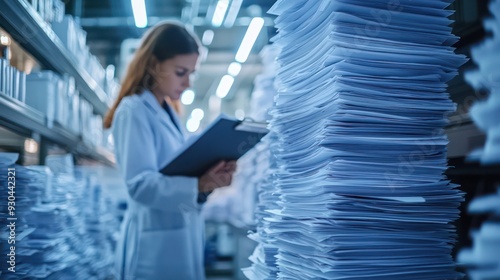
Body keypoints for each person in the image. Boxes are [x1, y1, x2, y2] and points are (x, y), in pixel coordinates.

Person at [103, 21, 237, 280]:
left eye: (191, 73)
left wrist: (208, 181)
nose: (187, 83)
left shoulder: (171, 114)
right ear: (154, 64)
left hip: (178, 238)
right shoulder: (134, 111)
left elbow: (178, 177)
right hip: (152, 249)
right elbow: (141, 185)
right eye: (180, 72)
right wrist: (197, 184)